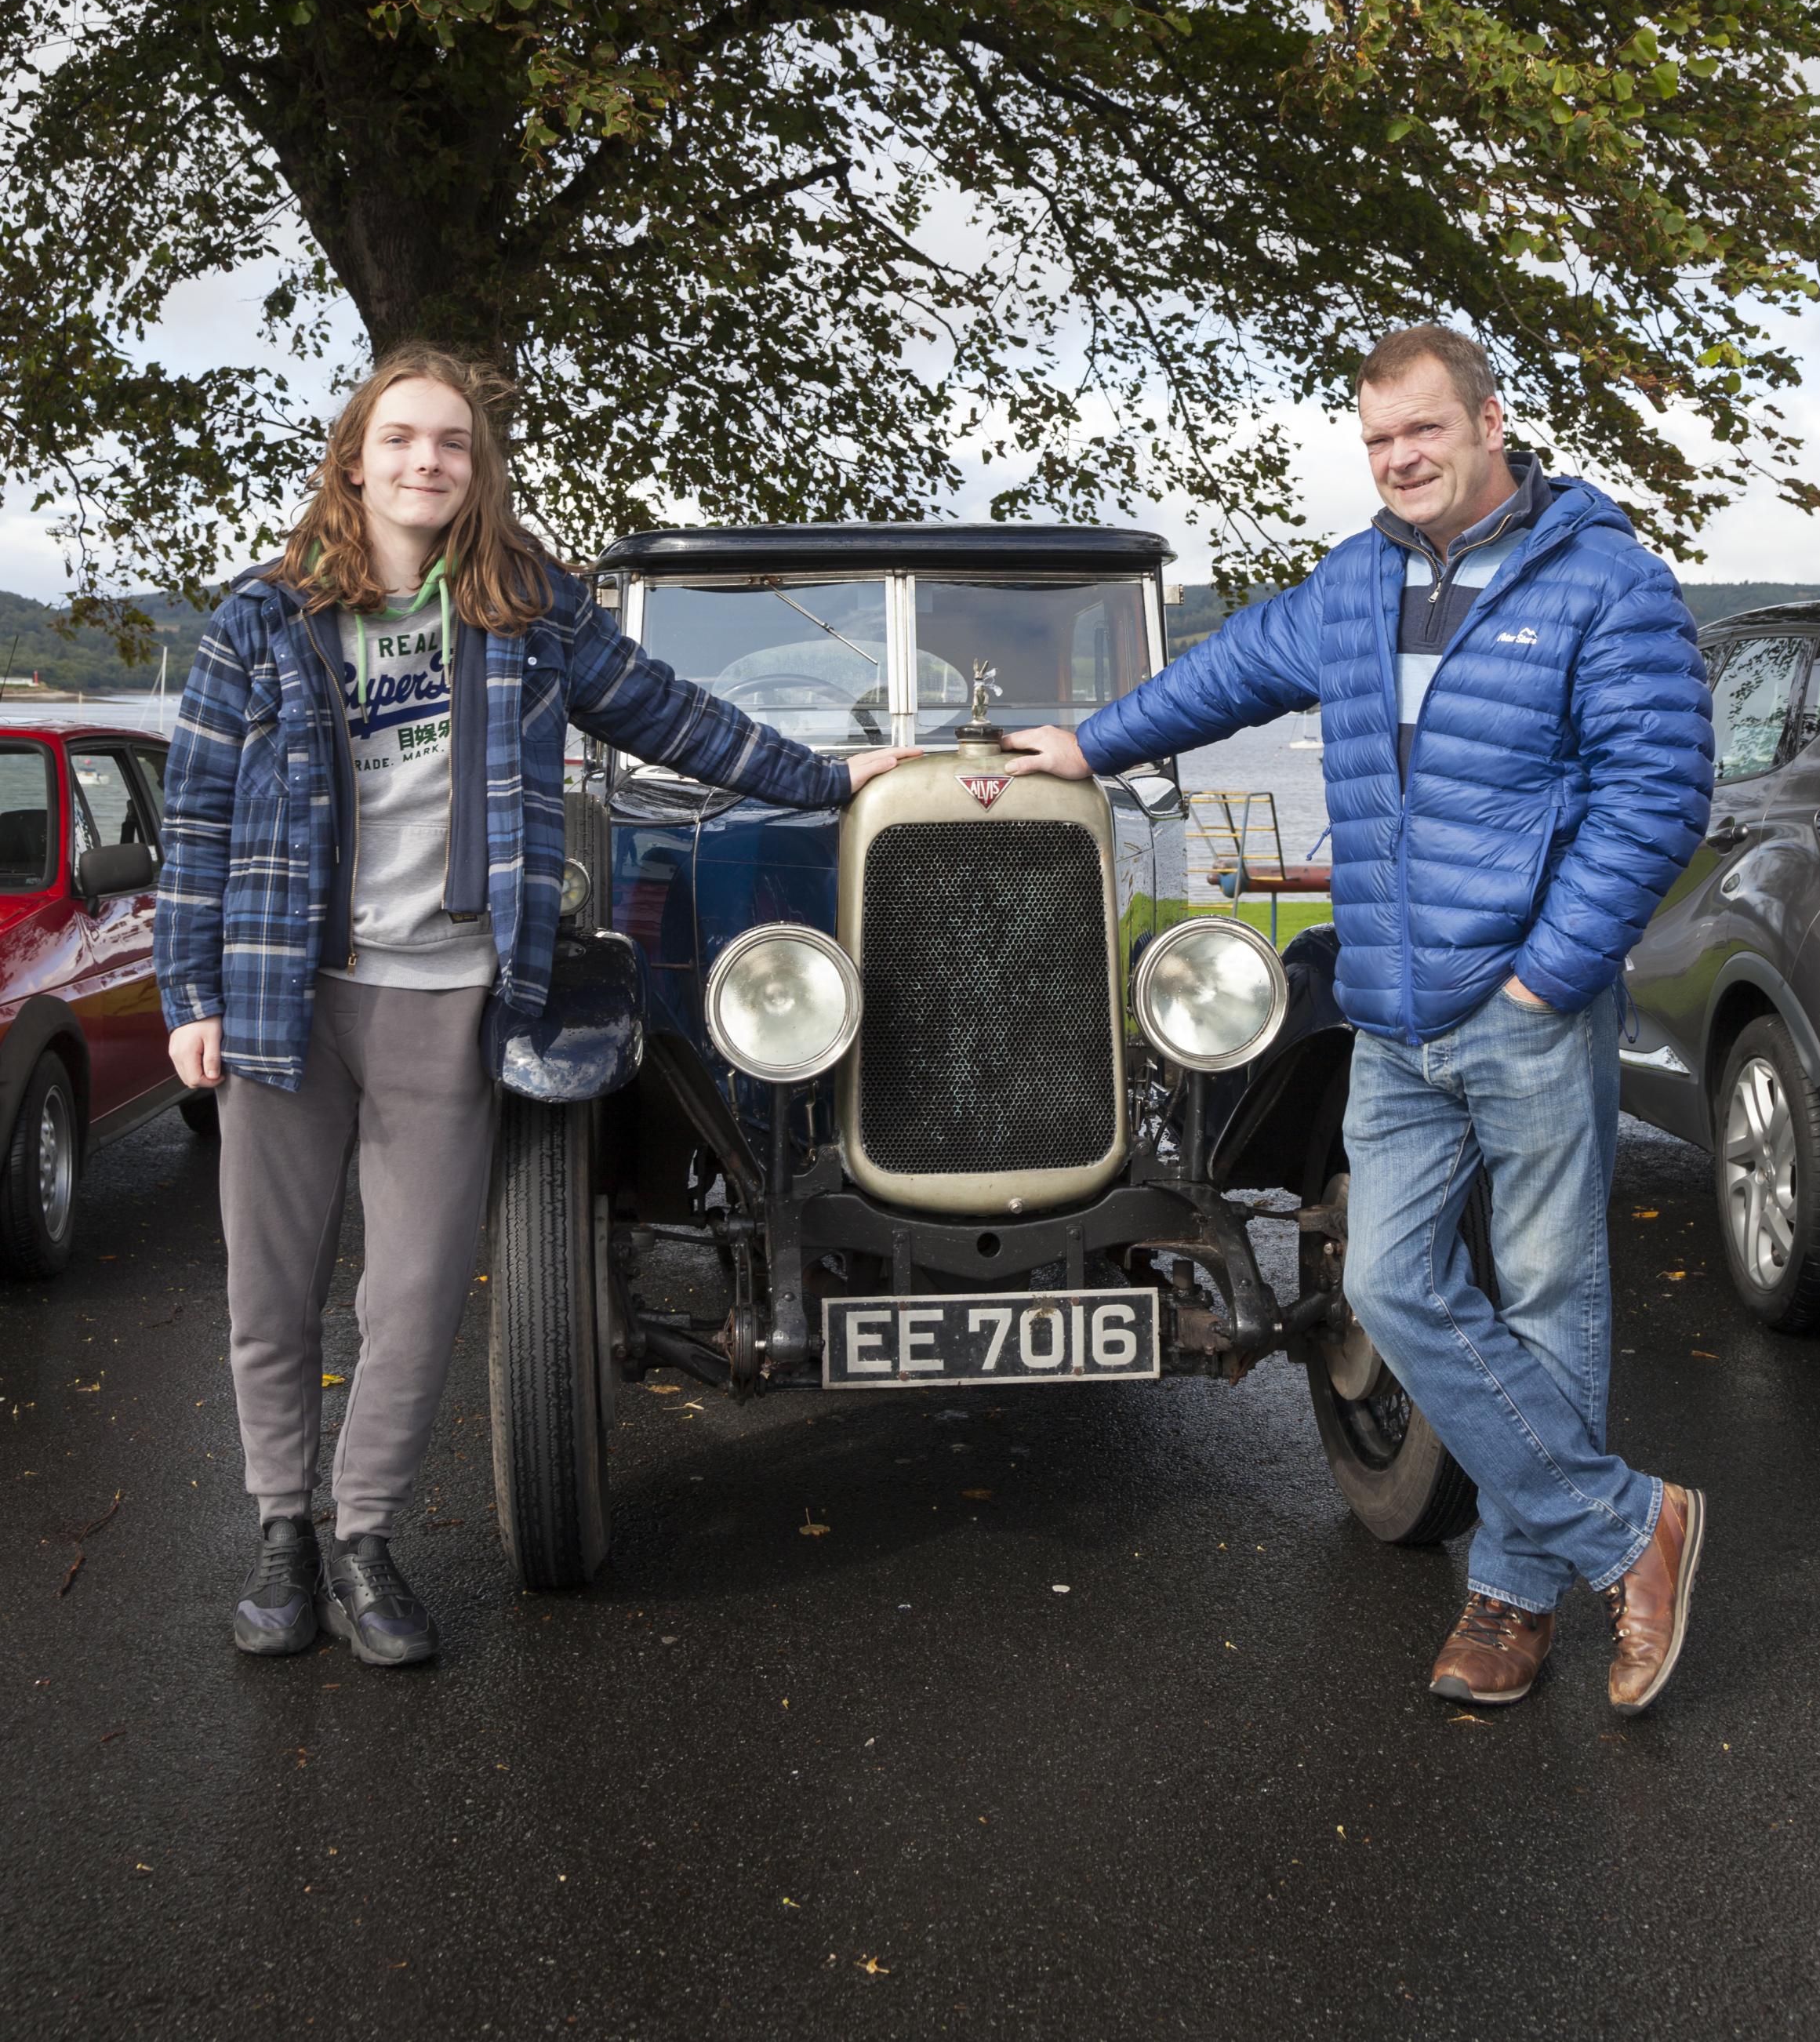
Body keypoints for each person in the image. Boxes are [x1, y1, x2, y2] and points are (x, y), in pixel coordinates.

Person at [156, 346, 910, 1668]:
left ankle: (365, 1540)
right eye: (401, 440)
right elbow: (199, 823)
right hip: (285, 993)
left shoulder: (527, 609)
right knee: (271, 1286)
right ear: (355, 456)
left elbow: (671, 715)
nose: (425, 462)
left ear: (476, 465)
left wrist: (834, 777)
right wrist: (188, 993)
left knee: (419, 1288)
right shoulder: (259, 621)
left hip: (446, 994)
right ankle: (281, 1532)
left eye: (450, 443)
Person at [1003, 324, 1714, 1713]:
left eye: (1424, 433)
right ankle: (1636, 1530)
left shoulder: (1603, 582)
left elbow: (1656, 799)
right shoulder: (1356, 581)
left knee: (1550, 1297)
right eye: (1379, 441)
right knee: (1391, 1284)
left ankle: (1511, 1598)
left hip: (1525, 1007)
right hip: (1393, 1014)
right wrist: (1084, 746)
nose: (1399, 461)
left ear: (1491, 423)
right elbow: (1227, 674)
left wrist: (1547, 973)